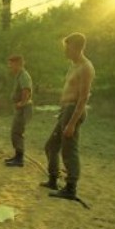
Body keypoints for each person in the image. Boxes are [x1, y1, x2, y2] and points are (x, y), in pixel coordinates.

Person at [41, 32, 95, 199]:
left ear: (76, 47)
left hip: (73, 111)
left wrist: (72, 123)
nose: (65, 51)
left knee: (69, 149)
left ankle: (71, 187)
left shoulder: (86, 67)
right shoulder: (73, 65)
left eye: (67, 47)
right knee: (51, 146)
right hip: (65, 110)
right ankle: (53, 178)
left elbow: (84, 97)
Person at [4, 55, 33, 167]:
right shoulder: (19, 75)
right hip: (21, 108)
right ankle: (17, 156)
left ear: (17, 64)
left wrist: (21, 103)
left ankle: (19, 159)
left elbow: (26, 90)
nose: (9, 66)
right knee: (15, 132)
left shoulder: (24, 75)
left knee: (17, 132)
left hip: (23, 108)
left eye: (11, 64)